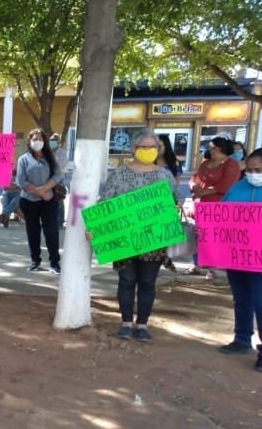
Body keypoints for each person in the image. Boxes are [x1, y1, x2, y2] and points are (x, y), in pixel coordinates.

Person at [86, 129, 183, 342]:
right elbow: (104, 204)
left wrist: (175, 206)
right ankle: (126, 323)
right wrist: (96, 229)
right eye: (145, 147)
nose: (150, 151)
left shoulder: (164, 175)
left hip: (154, 240)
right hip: (125, 240)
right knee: (127, 280)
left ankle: (143, 325)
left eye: (154, 147)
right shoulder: (119, 174)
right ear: (133, 149)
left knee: (148, 282)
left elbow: (178, 200)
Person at [215, 147, 262, 372]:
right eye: (250, 170)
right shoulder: (237, 188)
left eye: (259, 170)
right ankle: (242, 339)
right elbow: (220, 216)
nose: (253, 174)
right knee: (241, 298)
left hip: (259, 260)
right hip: (236, 256)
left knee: (261, 303)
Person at [185, 136, 241, 279]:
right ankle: (196, 264)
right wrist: (194, 186)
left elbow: (227, 184)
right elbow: (193, 179)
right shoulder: (205, 164)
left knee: (213, 238)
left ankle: (212, 268)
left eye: (214, 147)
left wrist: (205, 191)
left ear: (222, 148)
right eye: (210, 147)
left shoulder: (231, 164)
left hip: (217, 209)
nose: (211, 150)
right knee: (197, 235)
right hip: (200, 206)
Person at [17, 128, 63, 274]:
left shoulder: (51, 158)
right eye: (35, 139)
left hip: (48, 200)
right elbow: (20, 180)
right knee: (33, 231)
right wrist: (38, 191)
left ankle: (55, 262)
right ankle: (35, 261)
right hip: (28, 201)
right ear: (30, 142)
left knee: (51, 232)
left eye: (41, 139)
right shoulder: (23, 159)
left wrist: (44, 189)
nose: (38, 142)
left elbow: (57, 176)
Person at [156, 134, 182, 272]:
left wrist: (175, 202)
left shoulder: (174, 163)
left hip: (168, 203)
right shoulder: (150, 162)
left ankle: (164, 256)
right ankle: (160, 258)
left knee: (165, 234)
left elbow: (176, 185)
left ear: (166, 147)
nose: (156, 149)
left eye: (159, 146)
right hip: (151, 204)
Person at [49, 133, 69, 228]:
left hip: (59, 180)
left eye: (54, 141)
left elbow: (58, 167)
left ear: (59, 142)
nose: (52, 143)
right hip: (48, 179)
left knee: (59, 200)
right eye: (51, 141)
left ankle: (59, 222)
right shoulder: (49, 153)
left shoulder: (63, 153)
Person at [0, 161, 21, 229]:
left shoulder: (21, 174)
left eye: (14, 165)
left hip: (18, 193)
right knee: (4, 201)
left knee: (14, 202)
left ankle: (3, 215)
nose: (12, 166)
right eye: (11, 165)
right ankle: (6, 216)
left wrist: (12, 186)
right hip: (7, 193)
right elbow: (5, 187)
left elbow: (22, 186)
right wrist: (15, 186)